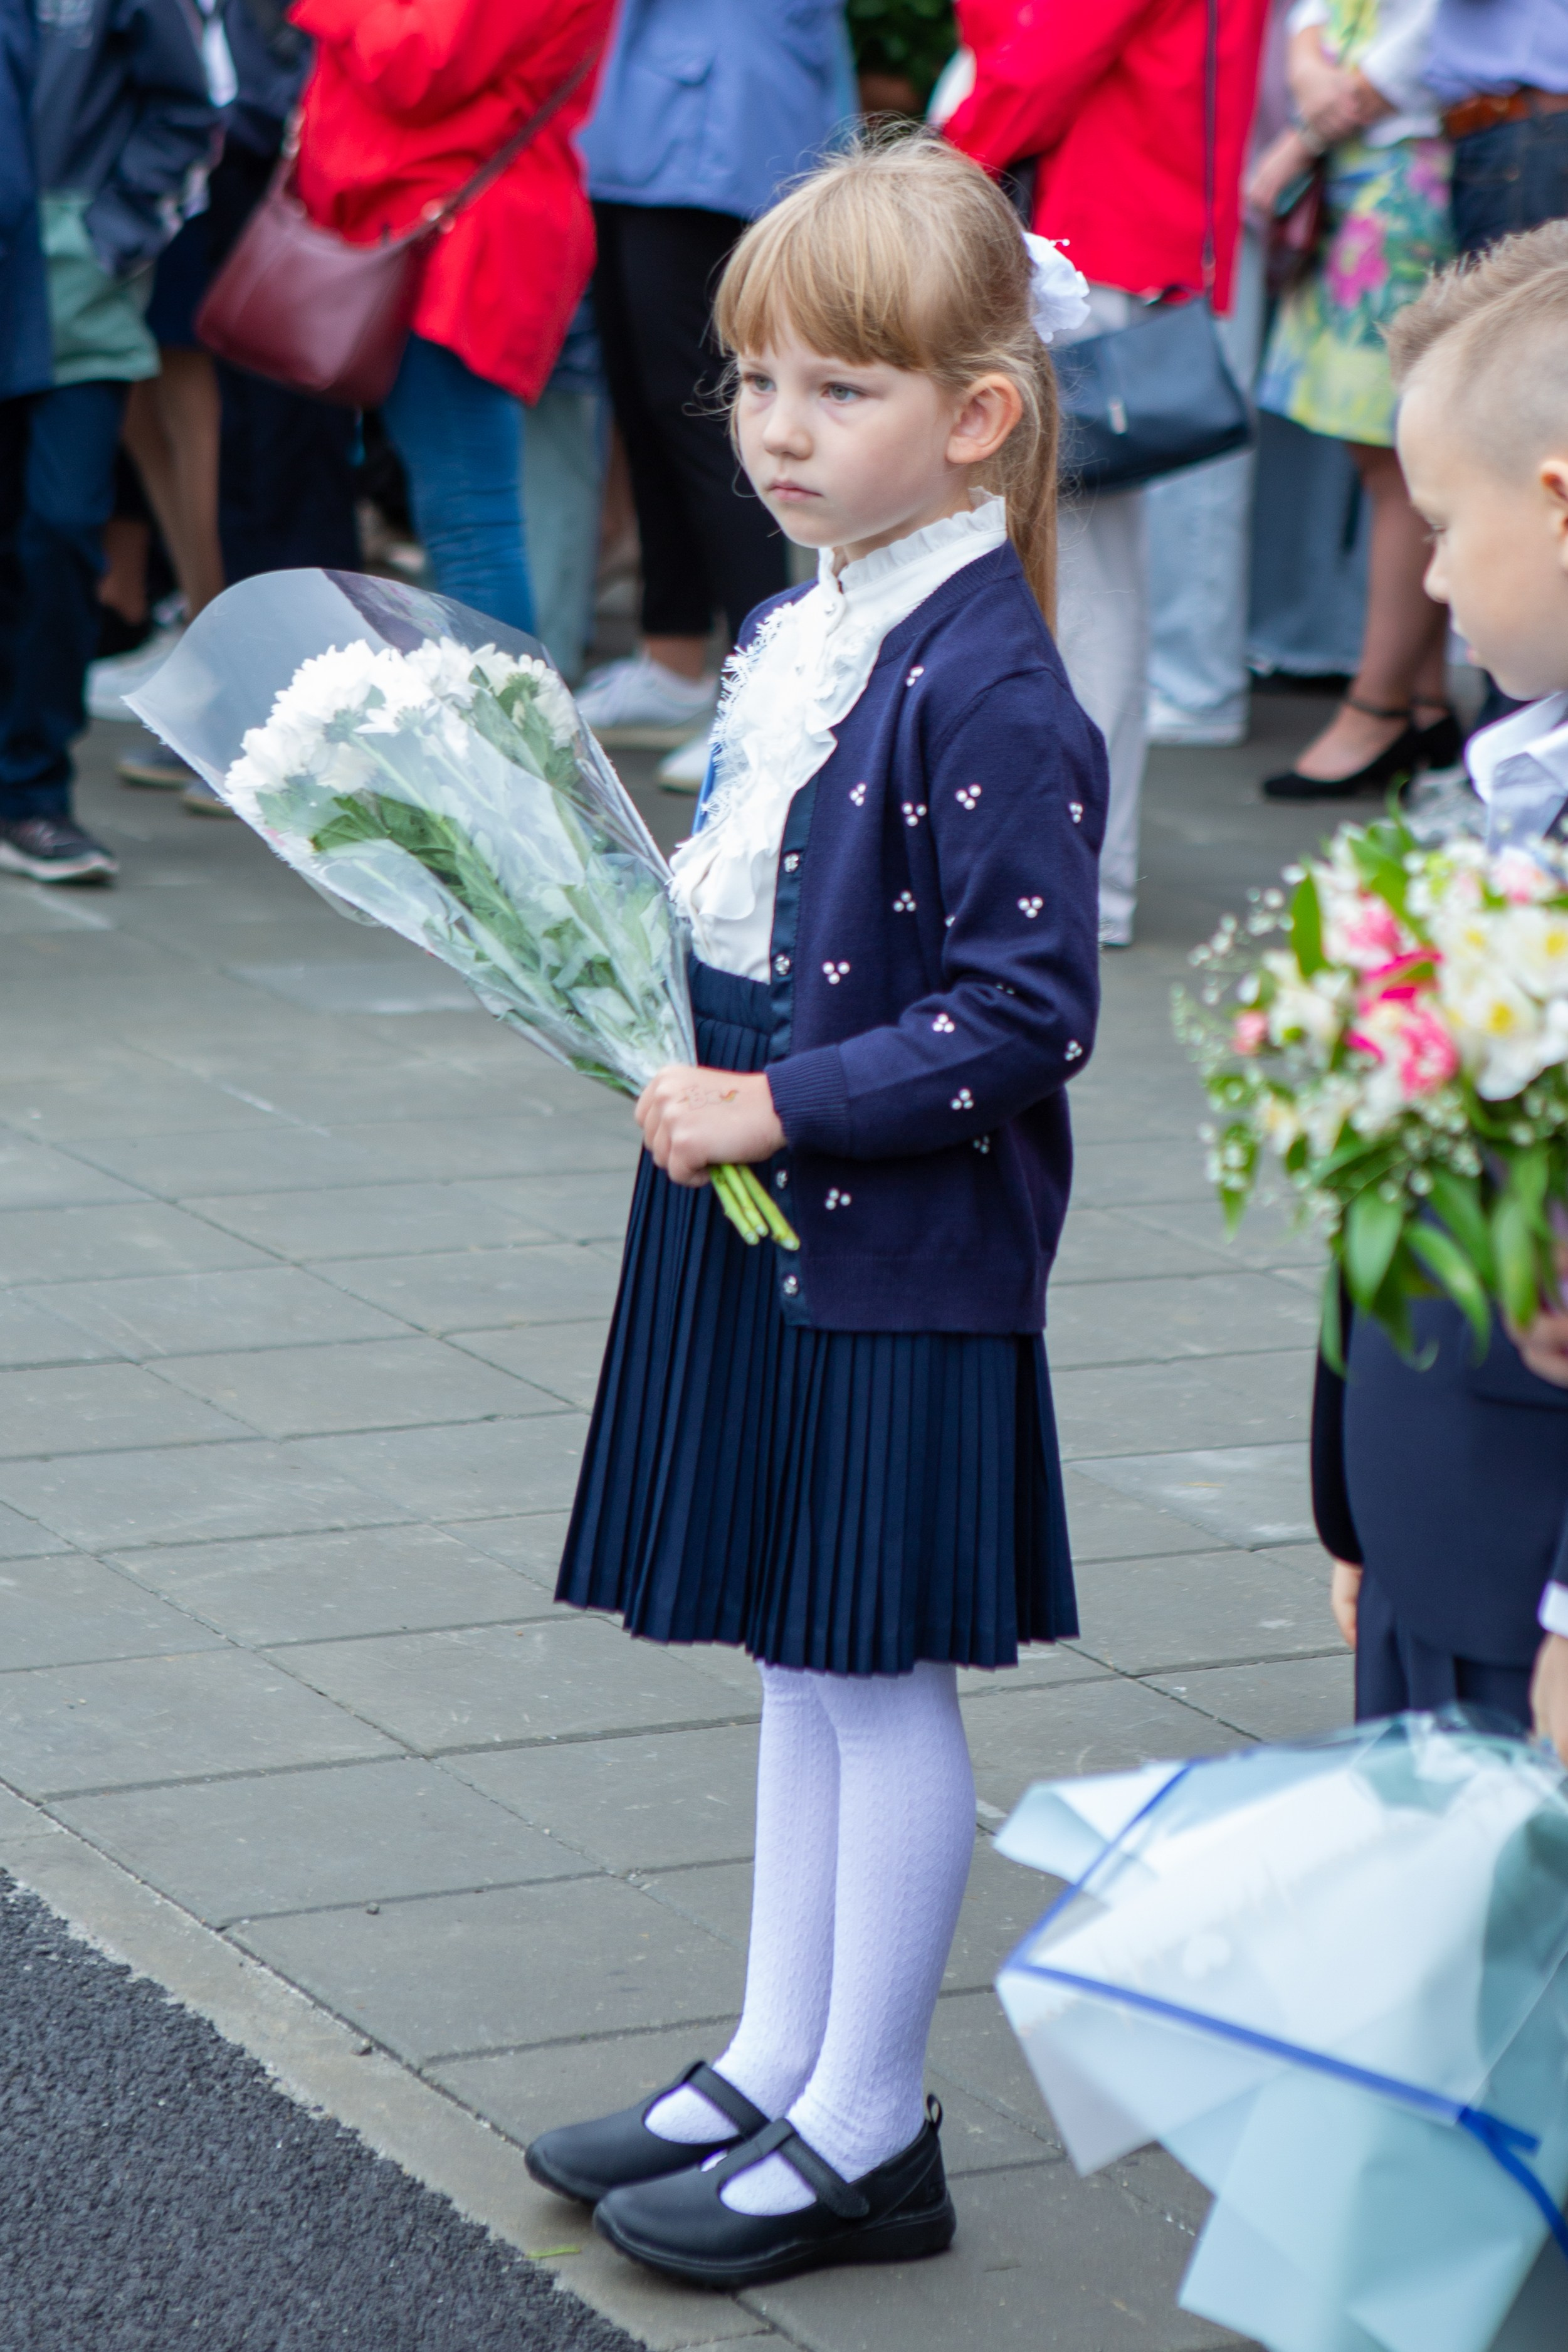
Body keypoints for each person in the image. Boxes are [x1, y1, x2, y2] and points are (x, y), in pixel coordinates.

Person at [524, 136, 1106, 2286]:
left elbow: (1027, 1013)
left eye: (838, 389)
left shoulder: (989, 679)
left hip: (896, 1246)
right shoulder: (806, 626)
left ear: (973, 416)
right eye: (756, 381)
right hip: (763, 1185)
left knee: (873, 1674)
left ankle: (871, 2127)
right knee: (796, 1655)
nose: (777, 428)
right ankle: (777, 2059)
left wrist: (777, 1099)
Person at [1311, 222, 1568, 1761]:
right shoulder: (1502, 788)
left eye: (1438, 519)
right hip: (1437, 1521)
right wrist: (1356, 1502)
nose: (1421, 568)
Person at [944, 0, 1271, 948]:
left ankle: (1079, 880)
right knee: (1081, 558)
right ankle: (1081, 875)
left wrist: (929, 176)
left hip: (1086, 239)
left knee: (1078, 560)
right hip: (1109, 230)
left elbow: (1047, 52)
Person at [574, 0, 853, 776]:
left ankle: (766, 691)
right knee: (651, 404)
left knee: (714, 420)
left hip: (720, 113)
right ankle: (673, 660)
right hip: (642, 116)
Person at [288, 0, 612, 636]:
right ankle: (491, 720)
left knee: (469, 520)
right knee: (462, 516)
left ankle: (501, 730)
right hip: (442, 233)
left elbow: (415, 63)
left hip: (458, 243)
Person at [0, 0, 216, 886]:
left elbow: (188, 107)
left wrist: (112, 236)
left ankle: (32, 789)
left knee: (61, 522)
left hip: (68, 285)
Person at [1250, 0, 1460, 802]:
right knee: (1382, 450)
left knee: (1401, 456)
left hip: (1410, 158)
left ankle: (1377, 709)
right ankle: (1420, 701)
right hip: (1367, 159)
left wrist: (1309, 125)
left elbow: (1436, 29)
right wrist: (1307, 68)